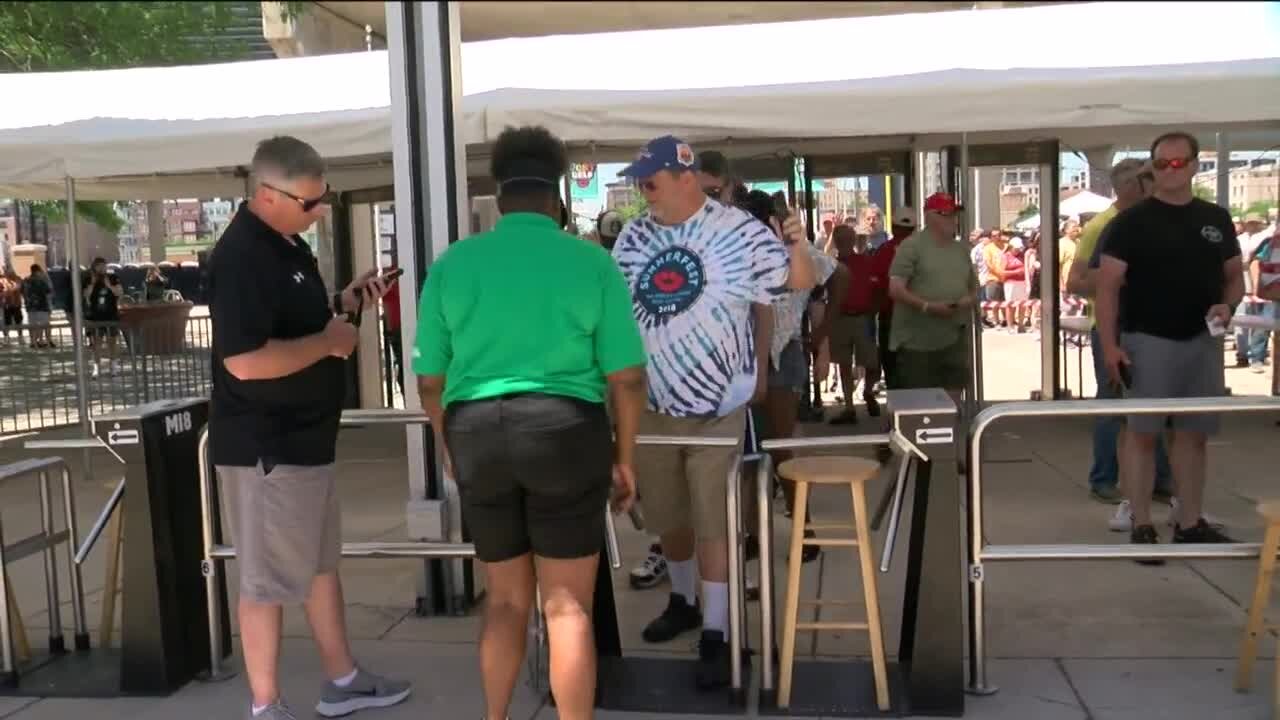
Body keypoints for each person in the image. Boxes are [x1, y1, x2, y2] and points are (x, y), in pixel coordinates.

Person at [414, 125, 647, 720]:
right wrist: (624, 459)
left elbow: (429, 381)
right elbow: (626, 377)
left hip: (475, 432)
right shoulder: (591, 262)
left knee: (505, 604)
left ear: (498, 189)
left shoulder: (453, 264)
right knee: (567, 608)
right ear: (559, 191)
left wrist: (447, 440)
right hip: (566, 429)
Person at [208, 135, 410, 720]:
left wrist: (345, 303)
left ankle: (342, 678)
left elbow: (296, 324)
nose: (321, 209)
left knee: (321, 567)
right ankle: (266, 705)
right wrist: (328, 342)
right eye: (311, 201)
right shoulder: (242, 257)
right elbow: (244, 360)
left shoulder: (286, 246)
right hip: (266, 448)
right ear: (269, 195)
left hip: (304, 443)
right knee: (266, 583)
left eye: (325, 198)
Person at [612, 135, 815, 689]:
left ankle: (718, 629)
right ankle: (684, 600)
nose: (643, 192)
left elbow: (796, 283)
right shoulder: (633, 236)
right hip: (651, 404)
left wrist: (795, 244)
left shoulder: (740, 231)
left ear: (686, 178)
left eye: (650, 182)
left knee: (714, 519)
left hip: (716, 405)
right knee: (669, 518)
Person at [1096, 131, 1242, 554]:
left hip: (1201, 340)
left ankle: (1190, 521)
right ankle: (1143, 523)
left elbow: (1234, 276)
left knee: (1194, 435)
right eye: (1162, 164)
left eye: (1179, 163)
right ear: (1151, 168)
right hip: (1147, 340)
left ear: (1196, 165)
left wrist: (1227, 306)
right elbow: (1107, 289)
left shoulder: (1216, 219)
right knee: (1142, 433)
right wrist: (1110, 346)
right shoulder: (1131, 222)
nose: (1171, 171)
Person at [1067, 159, 1175, 511]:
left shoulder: (1153, 220)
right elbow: (1075, 281)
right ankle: (1103, 479)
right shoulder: (1102, 225)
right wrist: (1118, 278)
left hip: (1150, 327)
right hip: (1111, 330)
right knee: (1112, 405)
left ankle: (1158, 479)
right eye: (1148, 178)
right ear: (1131, 186)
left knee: (1152, 402)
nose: (1157, 184)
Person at [887, 192, 979, 407]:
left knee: (954, 392)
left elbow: (974, 288)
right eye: (947, 214)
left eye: (954, 214)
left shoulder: (961, 249)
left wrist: (967, 301)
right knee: (920, 403)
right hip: (917, 343)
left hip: (954, 337)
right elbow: (895, 288)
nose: (953, 219)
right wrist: (928, 306)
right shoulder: (911, 246)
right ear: (930, 216)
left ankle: (950, 433)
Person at [821, 226, 883, 423]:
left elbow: (876, 288)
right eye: (841, 240)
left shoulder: (866, 261)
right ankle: (849, 407)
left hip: (863, 318)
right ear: (837, 243)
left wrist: (873, 310)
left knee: (872, 362)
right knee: (844, 364)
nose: (845, 243)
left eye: (848, 239)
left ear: (853, 241)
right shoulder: (832, 265)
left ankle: (868, 391)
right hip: (841, 319)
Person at [870, 209, 916, 390]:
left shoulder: (883, 252)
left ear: (894, 227)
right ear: (914, 229)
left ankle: (898, 413)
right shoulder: (926, 252)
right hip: (920, 319)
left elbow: (875, 287)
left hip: (890, 318)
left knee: (893, 369)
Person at [1235, 212, 1273, 372]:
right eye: (1250, 222)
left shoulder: (1265, 237)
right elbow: (1252, 262)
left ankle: (1256, 357)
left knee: (1261, 320)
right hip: (1243, 279)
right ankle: (1244, 354)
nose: (1253, 225)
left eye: (1255, 223)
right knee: (1242, 319)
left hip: (1260, 282)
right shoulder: (1240, 239)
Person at [83, 257, 123, 377]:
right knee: (97, 343)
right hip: (96, 316)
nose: (102, 268)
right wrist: (93, 283)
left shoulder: (112, 277)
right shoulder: (89, 279)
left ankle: (113, 367)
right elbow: (86, 295)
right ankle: (96, 368)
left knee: (112, 342)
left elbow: (120, 292)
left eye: (103, 265)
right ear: (94, 267)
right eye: (99, 266)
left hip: (111, 315)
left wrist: (109, 285)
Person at [22, 265, 53, 349]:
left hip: (30, 307)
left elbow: (22, 292)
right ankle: (45, 341)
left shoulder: (25, 280)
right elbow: (49, 291)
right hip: (42, 306)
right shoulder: (42, 280)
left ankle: (33, 342)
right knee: (44, 324)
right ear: (38, 271)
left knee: (32, 325)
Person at [1, 269, 23, 345]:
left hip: (16, 304)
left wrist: (8, 291)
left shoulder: (17, 279)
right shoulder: (3, 281)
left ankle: (20, 336)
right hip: (7, 305)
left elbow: (19, 287)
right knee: (7, 322)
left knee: (18, 320)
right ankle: (7, 338)